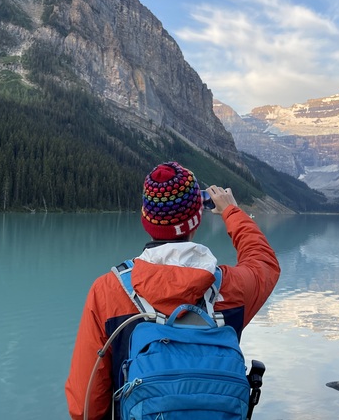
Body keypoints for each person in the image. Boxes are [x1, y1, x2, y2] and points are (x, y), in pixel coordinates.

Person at [65, 161, 281, 420]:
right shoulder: (231, 287)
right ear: (196, 220)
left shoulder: (108, 290)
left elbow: (85, 406)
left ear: (146, 219)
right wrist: (231, 211)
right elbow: (264, 262)